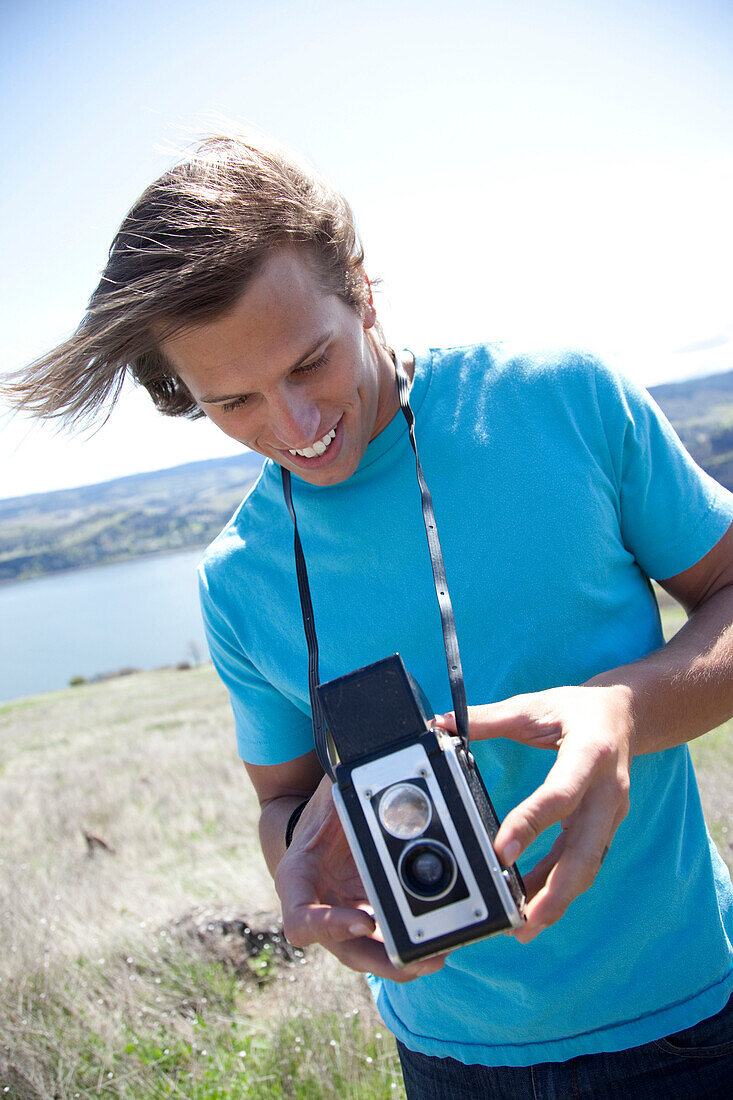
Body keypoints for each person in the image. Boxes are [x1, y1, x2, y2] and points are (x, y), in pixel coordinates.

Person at [3, 129, 733, 1097]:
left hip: (686, 1020)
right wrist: (298, 881)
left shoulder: (560, 398)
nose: (296, 429)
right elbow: (283, 800)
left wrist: (624, 709)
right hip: (446, 1057)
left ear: (360, 284)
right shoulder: (237, 580)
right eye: (235, 401)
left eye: (311, 361)